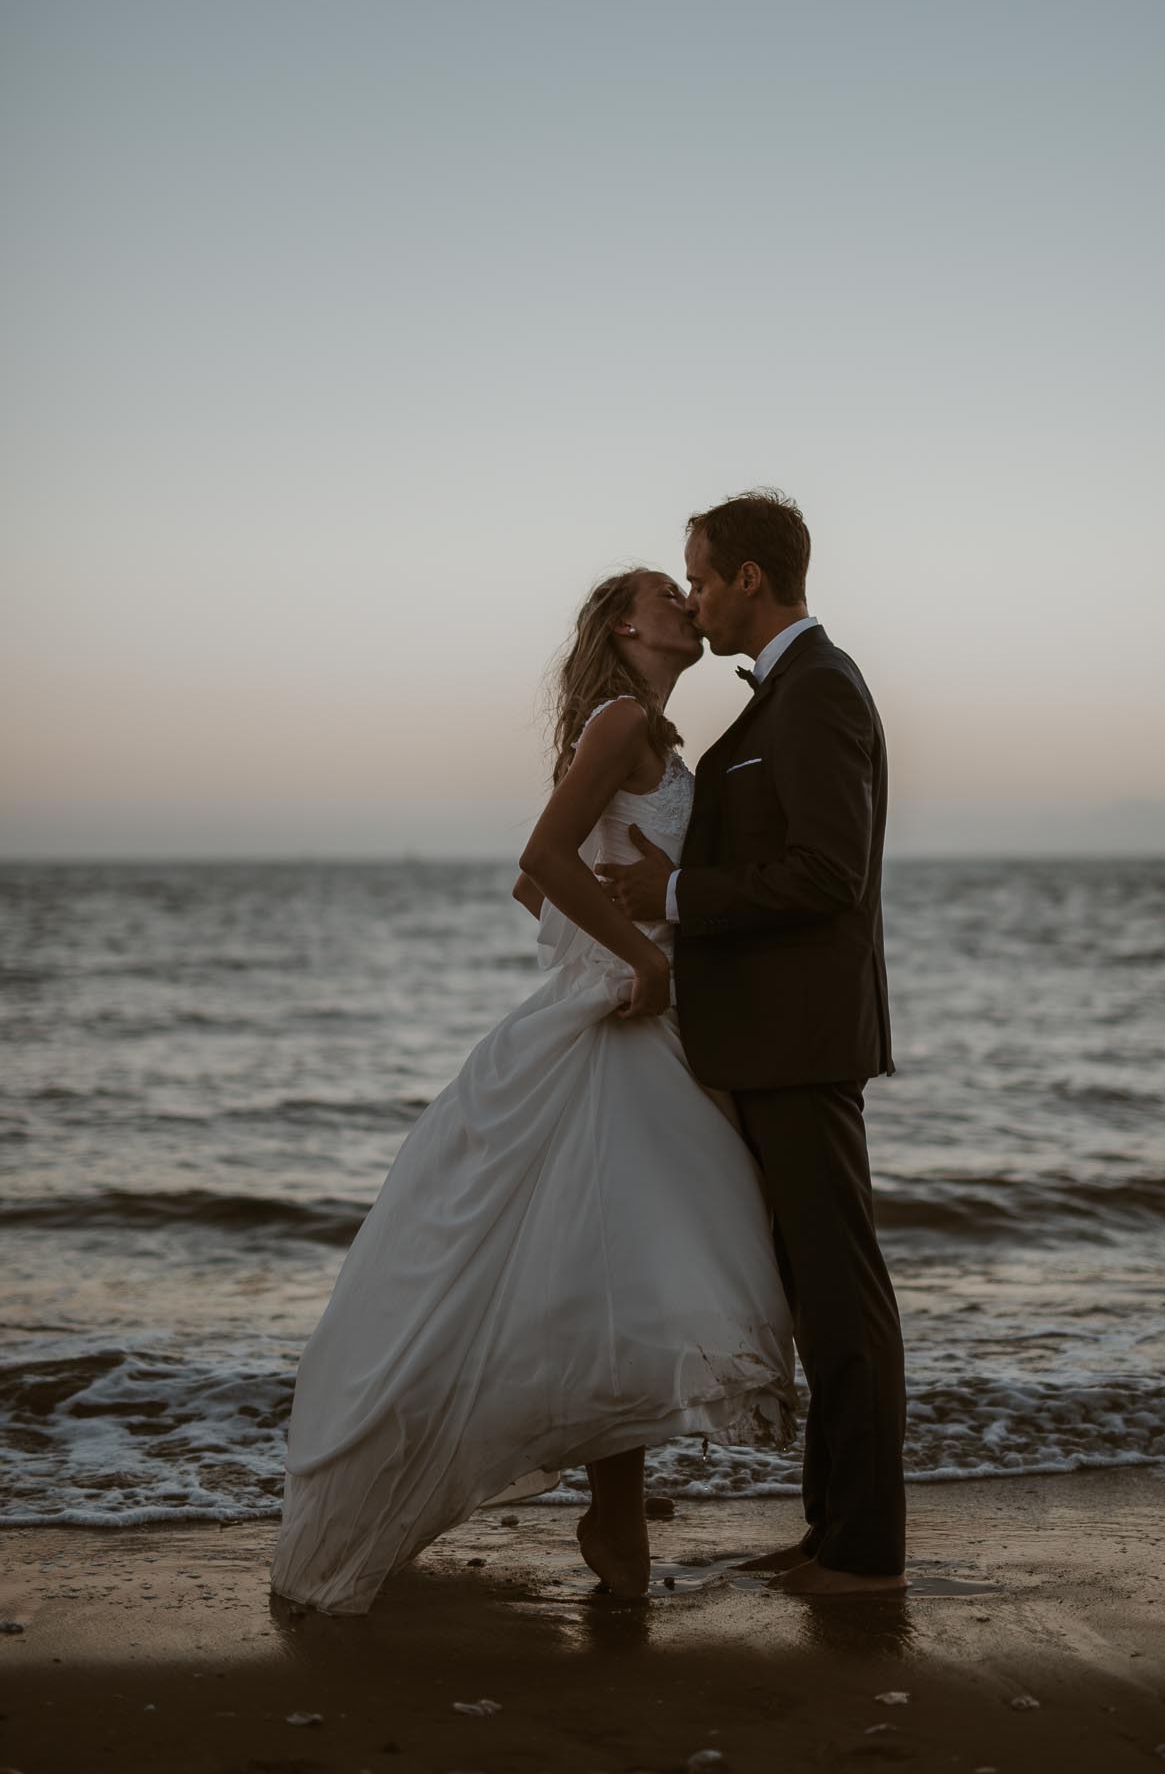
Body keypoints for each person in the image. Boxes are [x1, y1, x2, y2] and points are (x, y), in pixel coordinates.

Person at [269, 567, 796, 1615]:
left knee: (618, 1269)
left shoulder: (648, 728)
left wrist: (620, 921)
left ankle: (617, 1508)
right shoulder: (617, 720)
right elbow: (538, 858)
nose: (685, 604)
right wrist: (635, 961)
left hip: (647, 1016)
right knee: (634, 1260)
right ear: (621, 622)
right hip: (624, 1020)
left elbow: (539, 885)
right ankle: (615, 1512)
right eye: (664, 591)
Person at [599, 490, 906, 1595]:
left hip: (802, 1040)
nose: (690, 593)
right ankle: (829, 1530)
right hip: (771, 1042)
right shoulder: (786, 695)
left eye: (700, 572)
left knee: (842, 1294)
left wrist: (672, 888)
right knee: (817, 1294)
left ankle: (864, 1549)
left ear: (747, 578)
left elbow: (827, 872)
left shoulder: (819, 690)